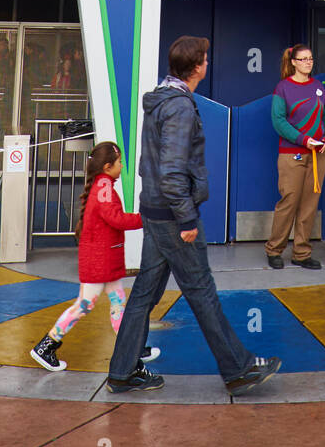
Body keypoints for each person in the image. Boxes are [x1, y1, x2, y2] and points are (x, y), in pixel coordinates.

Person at [106, 36, 281, 395]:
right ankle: (239, 369)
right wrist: (186, 219)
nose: (208, 63)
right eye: (205, 58)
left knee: (143, 293)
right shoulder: (180, 107)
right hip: (173, 216)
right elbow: (171, 171)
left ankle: (122, 372)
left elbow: (152, 165)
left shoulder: (160, 101)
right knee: (201, 291)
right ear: (197, 66)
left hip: (155, 211)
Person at [31, 141, 150, 371]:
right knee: (84, 305)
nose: (122, 166)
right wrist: (144, 219)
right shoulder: (105, 187)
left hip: (103, 259)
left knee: (118, 302)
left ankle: (132, 346)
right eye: (119, 162)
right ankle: (47, 346)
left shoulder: (101, 184)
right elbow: (115, 218)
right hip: (100, 261)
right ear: (107, 166)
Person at [265, 45, 325, 270]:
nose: (308, 62)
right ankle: (274, 250)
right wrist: (304, 140)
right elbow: (278, 121)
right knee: (289, 202)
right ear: (293, 62)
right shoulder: (283, 88)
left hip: (318, 155)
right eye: (303, 59)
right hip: (291, 155)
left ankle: (301, 253)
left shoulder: (318, 87)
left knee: (309, 205)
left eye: (311, 59)